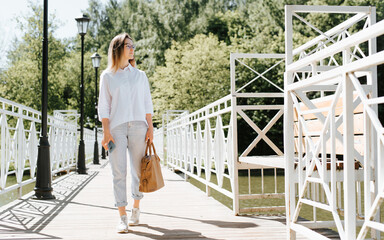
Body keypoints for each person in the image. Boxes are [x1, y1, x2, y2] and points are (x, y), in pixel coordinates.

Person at [98, 33, 154, 233]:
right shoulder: (107, 76)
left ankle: (136, 209)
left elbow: (147, 103)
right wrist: (106, 132)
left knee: (138, 171)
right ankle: (122, 216)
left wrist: (151, 127)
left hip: (139, 126)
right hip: (116, 128)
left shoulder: (140, 75)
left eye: (133, 45)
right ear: (118, 48)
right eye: (128, 45)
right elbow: (104, 106)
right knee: (118, 172)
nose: (132, 48)